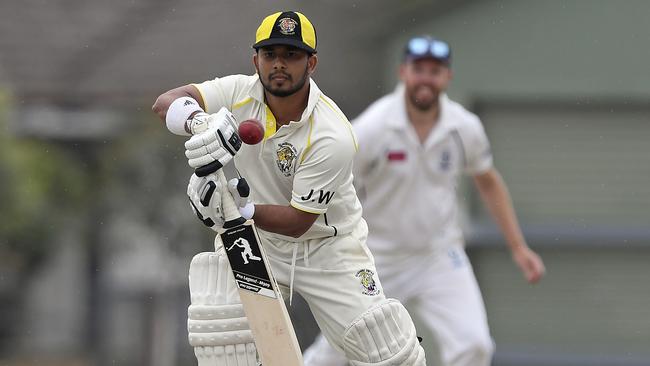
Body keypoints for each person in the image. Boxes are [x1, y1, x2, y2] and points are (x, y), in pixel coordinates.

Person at [152, 11, 426, 366]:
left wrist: (237, 210)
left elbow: (300, 221)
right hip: (257, 241)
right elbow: (165, 102)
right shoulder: (238, 91)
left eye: (291, 56)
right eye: (270, 55)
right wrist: (199, 121)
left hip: (327, 247)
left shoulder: (332, 134)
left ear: (311, 63)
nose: (279, 65)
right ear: (256, 60)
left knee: (386, 350)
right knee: (222, 339)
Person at [303, 36, 546, 366]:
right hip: (378, 259)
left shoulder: (463, 127)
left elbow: (488, 182)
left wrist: (518, 247)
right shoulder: (374, 127)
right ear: (404, 72)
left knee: (474, 346)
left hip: (439, 255)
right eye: (419, 70)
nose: (426, 79)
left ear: (448, 77)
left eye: (435, 71)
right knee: (339, 348)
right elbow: (336, 184)